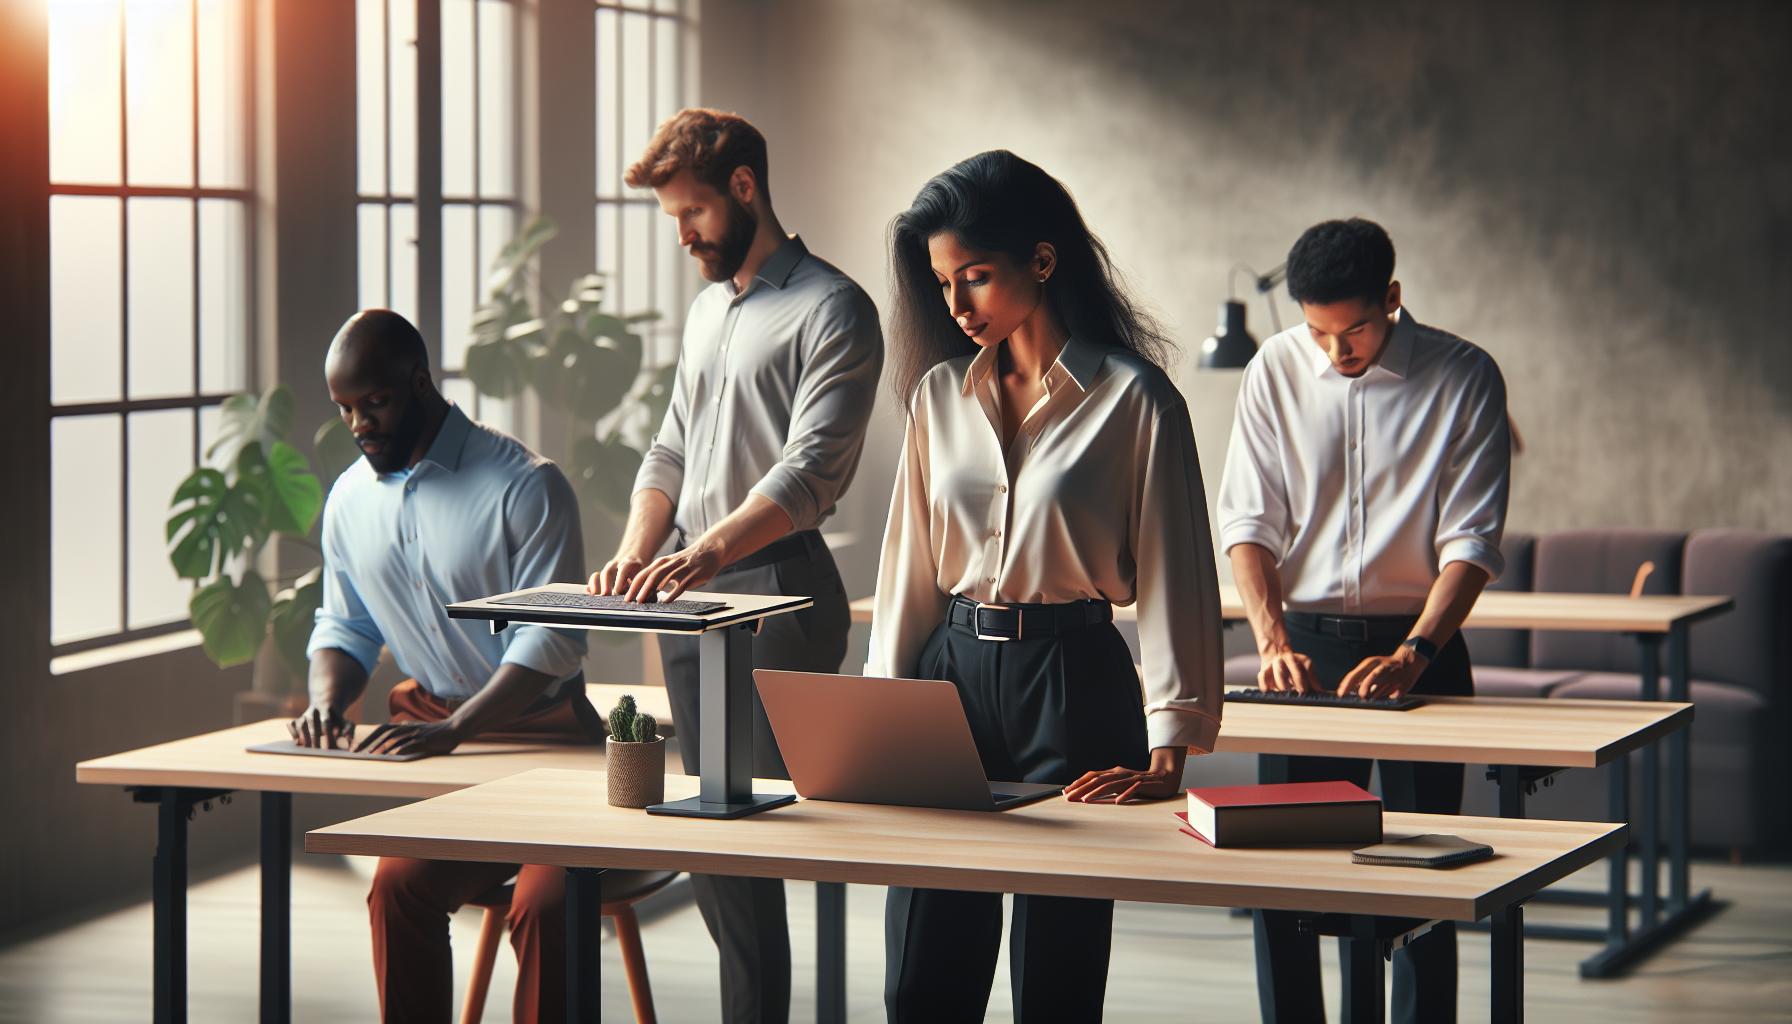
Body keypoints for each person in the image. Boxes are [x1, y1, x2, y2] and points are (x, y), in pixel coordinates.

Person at [867, 150, 1225, 1023]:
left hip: (1075, 679)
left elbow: (1180, 573)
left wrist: (1170, 746)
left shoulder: (1137, 401)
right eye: (944, 282)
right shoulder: (937, 397)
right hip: (950, 675)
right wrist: (881, 720)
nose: (955, 306)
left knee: (1057, 978)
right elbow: (909, 566)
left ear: (1042, 259)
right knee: (923, 972)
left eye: (976, 278)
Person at [587, 107, 883, 1024]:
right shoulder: (711, 309)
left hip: (780, 592)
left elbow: (809, 474)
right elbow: (670, 449)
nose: (682, 237)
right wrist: (641, 550)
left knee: (752, 830)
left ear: (746, 188)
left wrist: (702, 553)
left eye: (692, 216)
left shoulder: (835, 309)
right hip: (693, 591)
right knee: (712, 842)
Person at [1218, 218, 1512, 1024]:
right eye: (1316, 331)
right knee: (1286, 875)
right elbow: (1247, 523)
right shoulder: (1275, 369)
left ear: (1392, 297)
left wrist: (1417, 648)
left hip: (1422, 653)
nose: (1333, 353)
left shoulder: (1464, 376)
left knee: (1424, 882)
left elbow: (1474, 540)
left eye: (1351, 331)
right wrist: (1271, 639)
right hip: (1300, 654)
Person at [293, 308, 605, 1023]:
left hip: (545, 744)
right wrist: (329, 702)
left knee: (546, 903)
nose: (359, 425)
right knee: (397, 886)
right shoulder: (347, 500)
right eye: (345, 410)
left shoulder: (527, 486)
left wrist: (460, 726)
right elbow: (345, 625)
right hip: (439, 739)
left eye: (375, 403)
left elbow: (549, 643)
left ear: (420, 382)